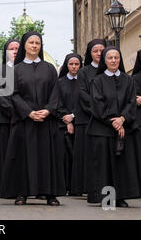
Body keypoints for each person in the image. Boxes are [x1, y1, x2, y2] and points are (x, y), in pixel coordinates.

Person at [0, 32, 65, 206]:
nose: (35, 46)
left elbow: (56, 92)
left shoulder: (49, 68)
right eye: (31, 43)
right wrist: (28, 112)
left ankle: (50, 193)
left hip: (46, 120)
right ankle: (22, 193)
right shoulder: (16, 69)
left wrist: (48, 110)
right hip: (25, 121)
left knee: (47, 157)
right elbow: (13, 94)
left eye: (38, 43)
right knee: (24, 158)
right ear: (25, 46)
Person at [87, 46, 141, 207]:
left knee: (122, 165)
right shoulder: (97, 81)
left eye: (116, 58)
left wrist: (123, 118)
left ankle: (120, 197)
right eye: (110, 58)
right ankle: (107, 198)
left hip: (124, 127)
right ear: (105, 61)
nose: (113, 60)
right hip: (102, 129)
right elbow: (97, 104)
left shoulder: (129, 80)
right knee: (104, 167)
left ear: (120, 60)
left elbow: (132, 102)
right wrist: (114, 121)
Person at [71, 39, 106, 196]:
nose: (99, 53)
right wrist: (97, 111)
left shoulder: (111, 69)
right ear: (90, 54)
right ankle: (85, 187)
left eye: (101, 50)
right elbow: (83, 94)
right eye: (95, 51)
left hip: (106, 119)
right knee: (86, 155)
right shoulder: (84, 72)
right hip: (87, 117)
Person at [0, 39, 19, 191]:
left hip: (22, 119)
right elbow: (0, 94)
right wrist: (15, 111)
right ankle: (3, 186)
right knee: (3, 153)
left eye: (17, 48)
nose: (14, 51)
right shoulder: (0, 71)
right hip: (5, 118)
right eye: (11, 48)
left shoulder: (23, 68)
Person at [56, 53, 83, 195]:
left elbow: (85, 103)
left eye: (76, 64)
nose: (74, 67)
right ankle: (64, 186)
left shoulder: (84, 83)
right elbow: (57, 103)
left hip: (80, 123)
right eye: (71, 64)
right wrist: (66, 120)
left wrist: (73, 117)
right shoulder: (60, 83)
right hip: (62, 124)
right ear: (67, 65)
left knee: (78, 156)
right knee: (64, 157)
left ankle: (76, 188)